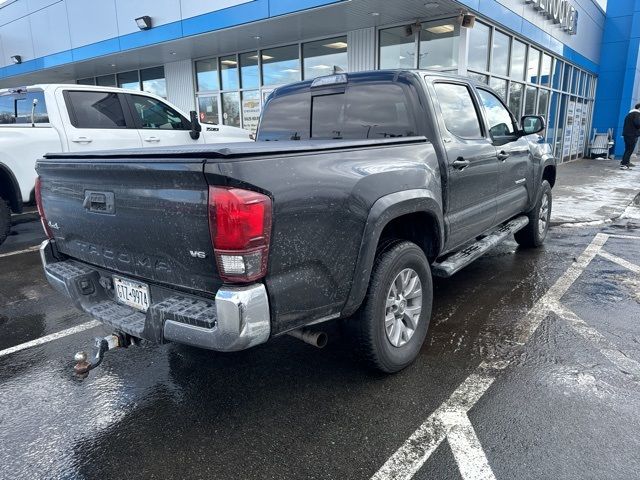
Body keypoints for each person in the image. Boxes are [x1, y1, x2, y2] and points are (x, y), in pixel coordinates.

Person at [621, 103, 640, 169]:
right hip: (632, 135)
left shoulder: (629, 114)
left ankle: (625, 162)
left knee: (627, 149)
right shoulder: (637, 114)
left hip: (627, 134)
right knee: (629, 150)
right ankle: (624, 164)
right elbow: (637, 124)